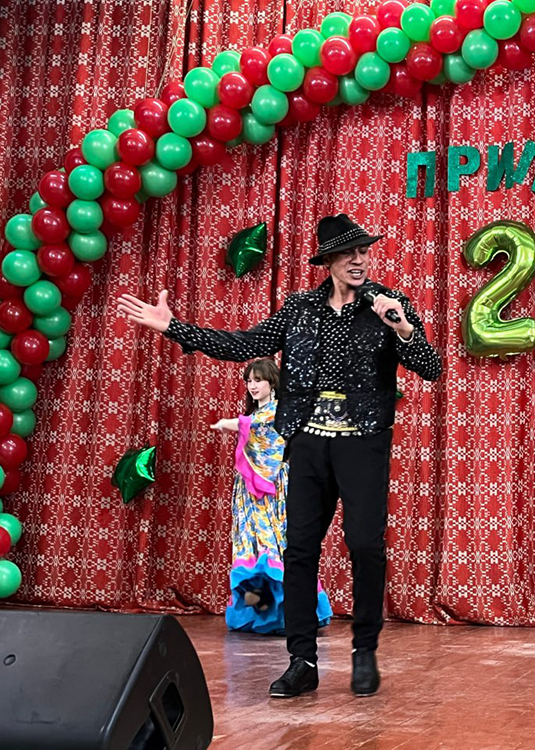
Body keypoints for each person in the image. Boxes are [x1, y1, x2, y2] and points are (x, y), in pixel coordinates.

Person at [117, 214, 442, 697]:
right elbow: (244, 345)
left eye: (363, 251)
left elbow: (431, 367)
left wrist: (402, 327)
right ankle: (302, 660)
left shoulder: (388, 305)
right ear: (329, 260)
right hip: (307, 443)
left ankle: (364, 650)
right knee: (299, 550)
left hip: (362, 442)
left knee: (365, 545)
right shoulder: (300, 309)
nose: (359, 260)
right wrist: (173, 327)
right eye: (348, 252)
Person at [210, 358, 333, 635]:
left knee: (273, 543)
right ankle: (260, 608)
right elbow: (250, 424)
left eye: (258, 380)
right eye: (249, 381)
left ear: (272, 382)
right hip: (248, 490)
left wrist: (228, 423)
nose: (252, 386)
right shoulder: (257, 412)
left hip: (272, 487)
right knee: (249, 542)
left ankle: (290, 612)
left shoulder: (276, 411)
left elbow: (254, 425)